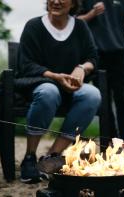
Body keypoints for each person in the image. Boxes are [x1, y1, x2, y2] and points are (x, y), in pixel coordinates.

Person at [16, 0, 101, 183]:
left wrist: (81, 68)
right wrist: (55, 76)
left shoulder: (80, 26)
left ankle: (53, 156)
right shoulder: (34, 26)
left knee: (92, 94)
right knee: (49, 92)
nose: (56, 1)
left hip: (72, 90)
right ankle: (30, 157)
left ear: (73, 4)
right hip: (40, 85)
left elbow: (93, 57)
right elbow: (25, 64)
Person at [77, 0, 124, 146]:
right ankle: (111, 140)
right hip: (96, 54)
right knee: (103, 101)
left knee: (122, 99)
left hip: (119, 52)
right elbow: (74, 21)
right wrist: (92, 13)